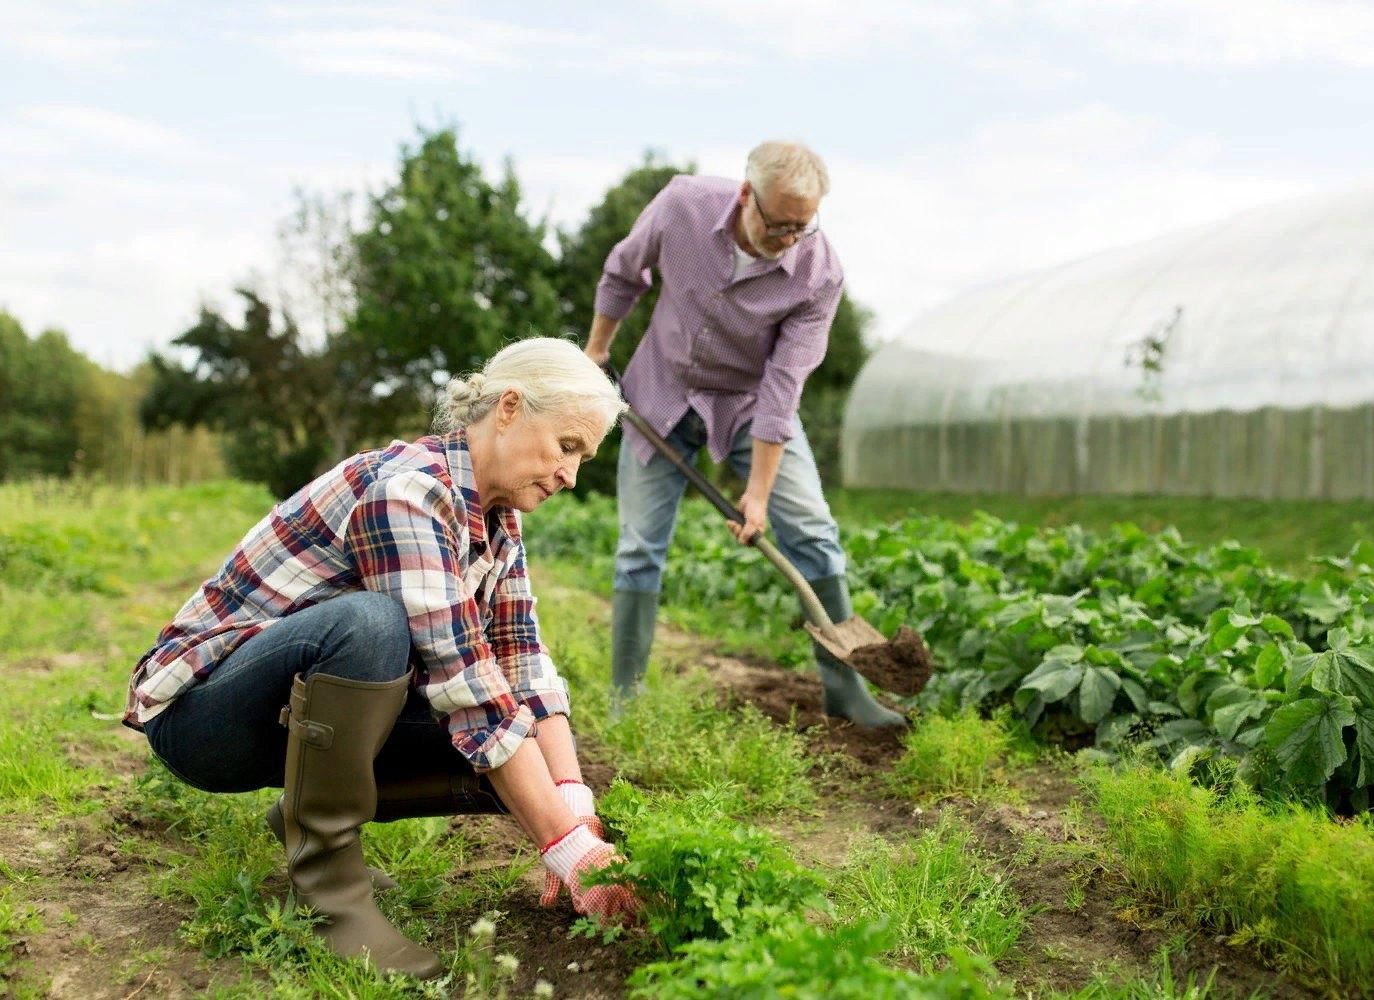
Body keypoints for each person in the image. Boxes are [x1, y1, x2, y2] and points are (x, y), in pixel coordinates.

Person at [124, 338, 641, 979]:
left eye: (583, 458)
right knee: (373, 627)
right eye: (567, 447)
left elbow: (522, 661)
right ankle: (329, 890)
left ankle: (306, 817)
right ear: (509, 407)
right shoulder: (408, 492)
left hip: (291, 714)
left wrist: (577, 816)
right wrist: (564, 849)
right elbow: (468, 686)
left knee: (515, 751)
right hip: (203, 718)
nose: (571, 475)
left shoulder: (498, 521)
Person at [583, 140, 904, 729]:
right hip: (662, 389)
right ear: (745, 194)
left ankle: (847, 692)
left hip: (750, 404)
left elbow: (784, 387)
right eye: (778, 224)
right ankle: (624, 700)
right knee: (639, 548)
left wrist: (757, 492)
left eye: (801, 228)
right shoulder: (683, 205)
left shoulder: (819, 272)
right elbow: (625, 271)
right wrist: (596, 352)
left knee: (811, 530)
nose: (788, 239)